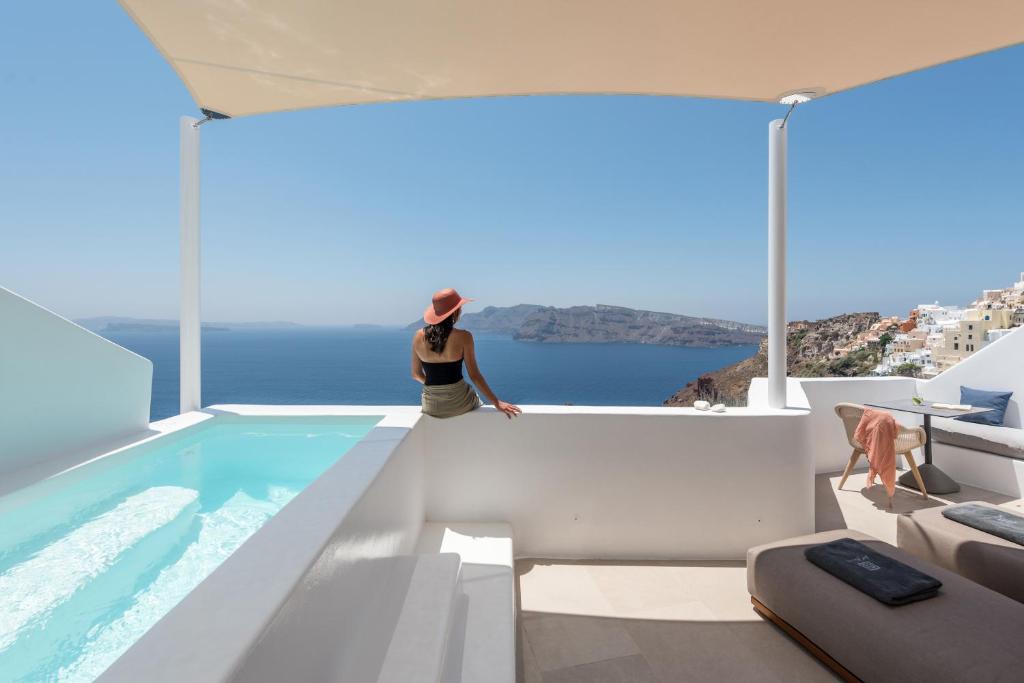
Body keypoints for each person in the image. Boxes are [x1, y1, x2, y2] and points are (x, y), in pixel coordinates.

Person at [412, 288, 522, 419]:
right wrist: (496, 402)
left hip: (431, 406)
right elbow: (474, 376)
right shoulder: (464, 337)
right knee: (476, 403)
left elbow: (416, 374)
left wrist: (437, 388)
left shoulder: (418, 336)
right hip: (459, 403)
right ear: (455, 311)